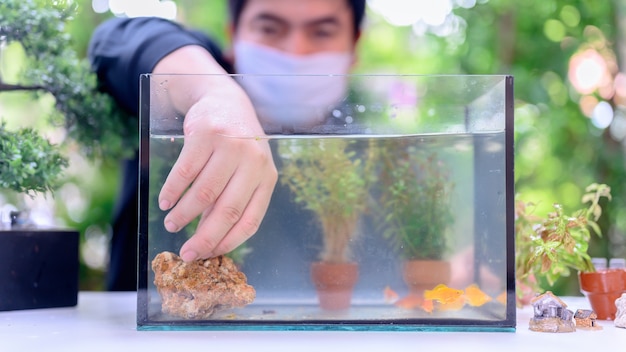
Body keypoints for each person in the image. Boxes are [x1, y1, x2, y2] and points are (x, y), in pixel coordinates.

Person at [88, 0, 367, 290]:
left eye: (321, 32)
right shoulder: (199, 75)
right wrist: (214, 93)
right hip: (152, 333)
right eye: (269, 28)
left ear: (355, 44)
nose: (295, 51)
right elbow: (121, 38)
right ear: (233, 34)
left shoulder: (367, 152)